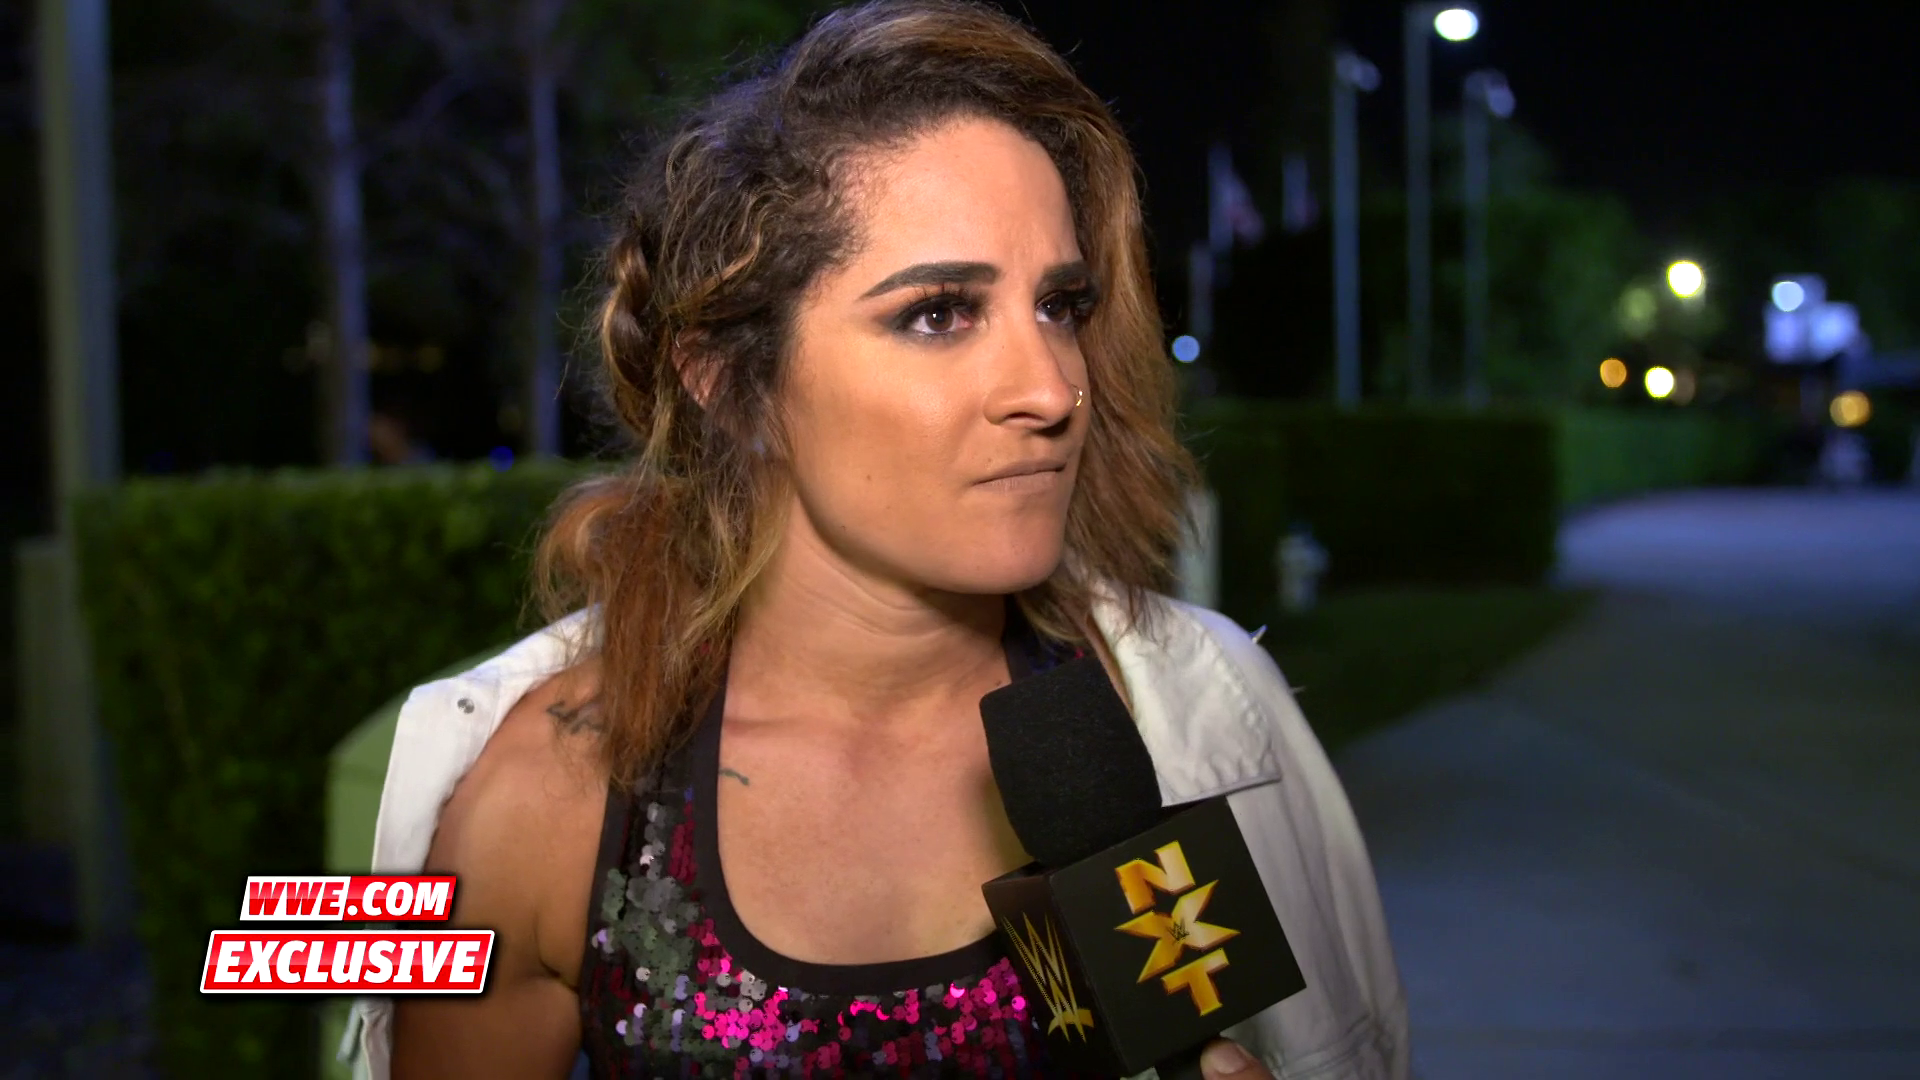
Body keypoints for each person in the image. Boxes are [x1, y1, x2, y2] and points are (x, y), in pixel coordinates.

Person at [346, 2, 1407, 1077]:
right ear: (729, 381)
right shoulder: (546, 797)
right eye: (938, 314)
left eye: (1060, 304)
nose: (1052, 389)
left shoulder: (1206, 712)